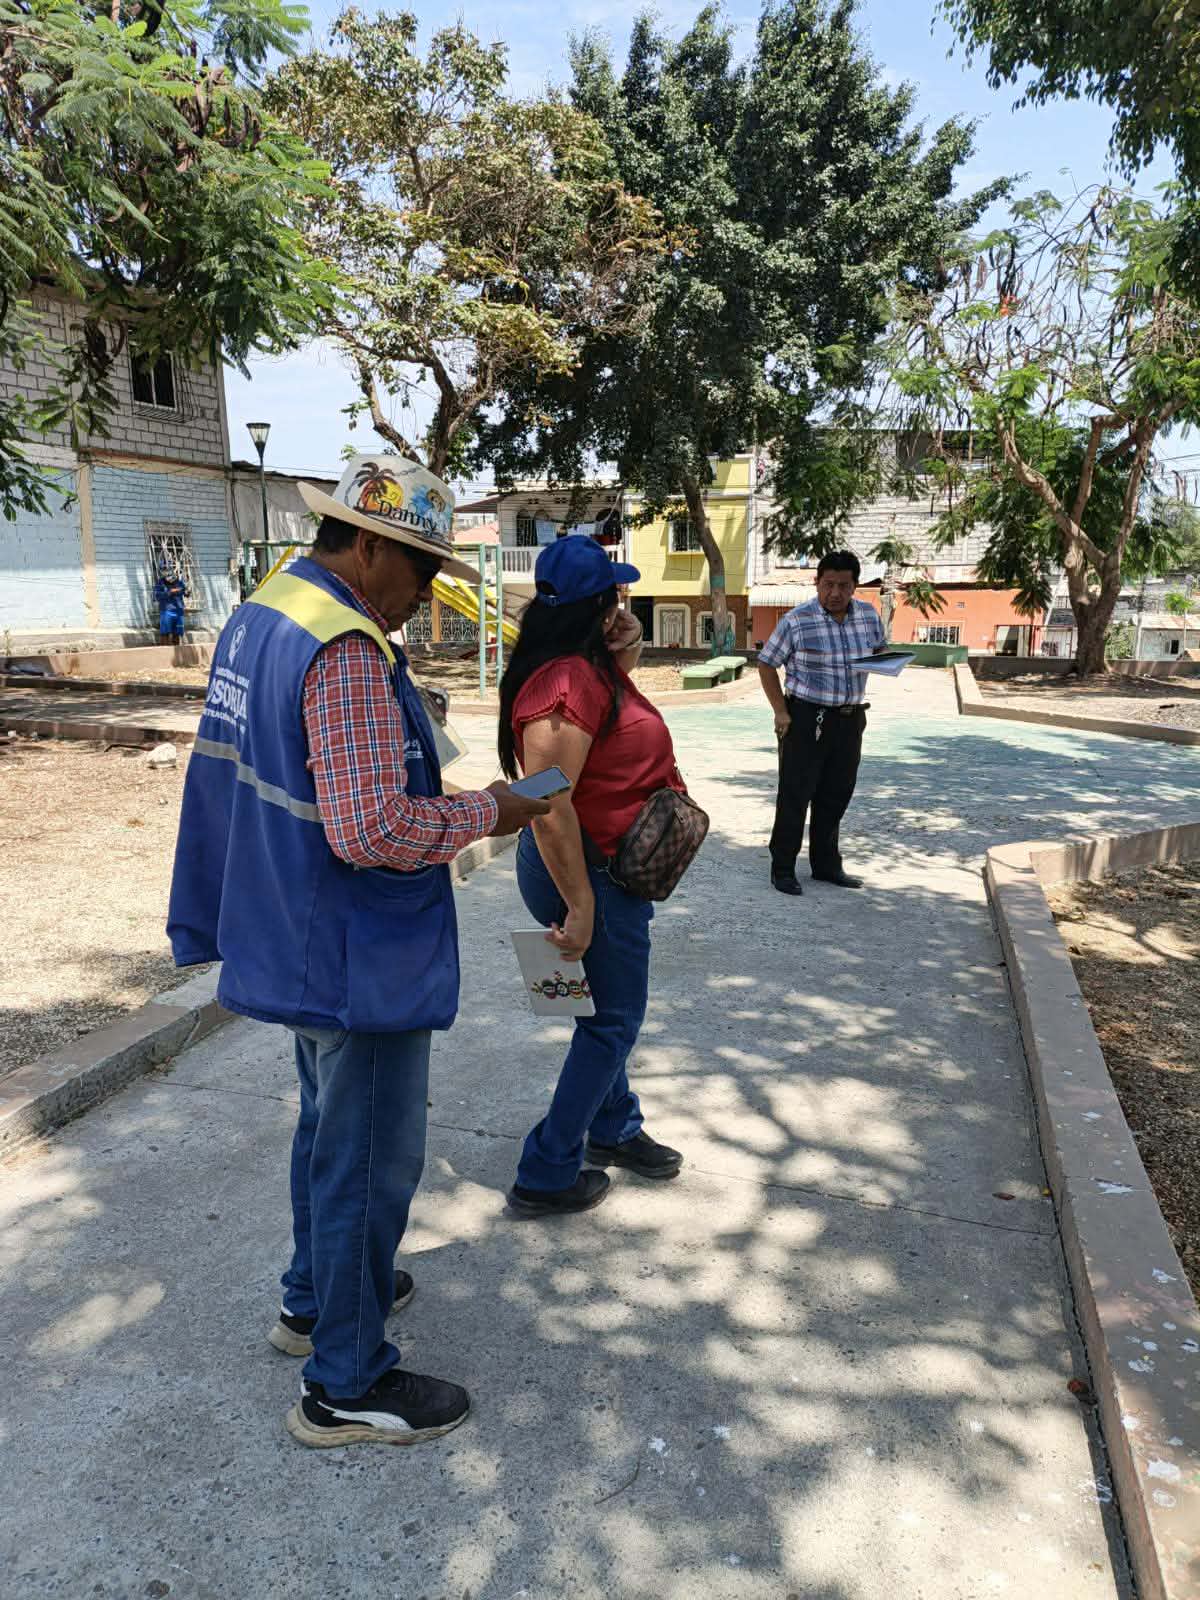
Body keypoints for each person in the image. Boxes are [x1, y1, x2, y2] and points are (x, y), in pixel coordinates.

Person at [167, 454, 550, 1451]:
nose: (426, 592)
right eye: (421, 568)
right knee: (368, 1162)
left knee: (325, 1131)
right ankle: (345, 1379)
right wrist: (492, 810)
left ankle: (314, 1298)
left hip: (292, 927)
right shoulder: (344, 648)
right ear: (370, 547)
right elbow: (371, 827)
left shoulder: (268, 611)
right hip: (353, 947)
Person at [498, 536, 687, 1217]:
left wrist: (624, 651)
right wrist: (580, 907)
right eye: (615, 594)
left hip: (597, 869)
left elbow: (607, 734)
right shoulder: (566, 682)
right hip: (590, 875)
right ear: (599, 603)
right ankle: (546, 1171)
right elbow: (547, 803)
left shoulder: (581, 666)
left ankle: (613, 1126)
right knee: (610, 1025)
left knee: (600, 1014)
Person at [756, 549, 886, 896]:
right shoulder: (797, 621)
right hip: (805, 718)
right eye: (828, 584)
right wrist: (780, 711)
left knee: (836, 794)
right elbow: (767, 664)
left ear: (855, 586)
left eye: (843, 585)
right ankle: (783, 868)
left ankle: (826, 865)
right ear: (816, 583)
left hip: (850, 718)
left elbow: (879, 650)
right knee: (795, 795)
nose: (835, 593)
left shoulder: (868, 616)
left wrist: (886, 660)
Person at [154, 564, 187, 644]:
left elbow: (184, 591)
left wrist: (187, 592)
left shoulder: (179, 582)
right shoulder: (160, 583)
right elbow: (157, 596)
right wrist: (170, 592)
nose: (171, 579)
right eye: (166, 572)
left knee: (177, 633)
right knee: (165, 633)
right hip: (166, 610)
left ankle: (176, 648)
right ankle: (164, 649)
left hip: (178, 610)